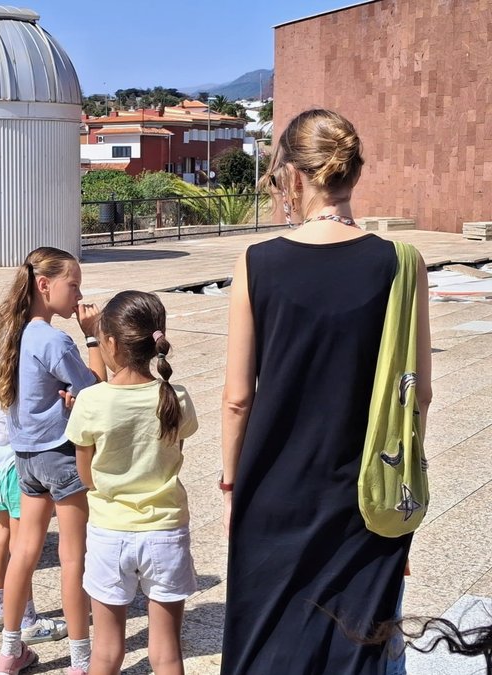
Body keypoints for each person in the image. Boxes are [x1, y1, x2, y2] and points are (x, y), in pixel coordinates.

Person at [220, 109, 432, 674]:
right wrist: (401, 497)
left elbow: (238, 397)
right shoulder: (400, 263)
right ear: (354, 174)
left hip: (274, 489)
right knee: (355, 651)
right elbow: (420, 396)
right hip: (365, 493)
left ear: (292, 175)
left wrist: (232, 483)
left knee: (268, 646)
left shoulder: (258, 261)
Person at [0, 246, 105, 675]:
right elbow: (95, 389)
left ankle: (11, 651)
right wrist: (92, 334)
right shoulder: (53, 337)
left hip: (26, 457)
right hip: (61, 455)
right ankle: (81, 659)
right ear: (44, 284)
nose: (78, 294)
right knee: (73, 558)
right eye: (73, 285)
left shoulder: (9, 333)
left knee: (23, 552)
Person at [66, 291, 199, 675]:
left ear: (109, 343)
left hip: (110, 531)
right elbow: (174, 452)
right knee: (168, 654)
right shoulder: (176, 397)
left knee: (106, 653)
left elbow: (86, 474)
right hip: (166, 530)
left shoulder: (91, 401)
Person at [0, 327, 70, 646]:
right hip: (16, 471)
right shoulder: (12, 386)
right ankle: (27, 619)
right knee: (22, 549)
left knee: (1, 538)